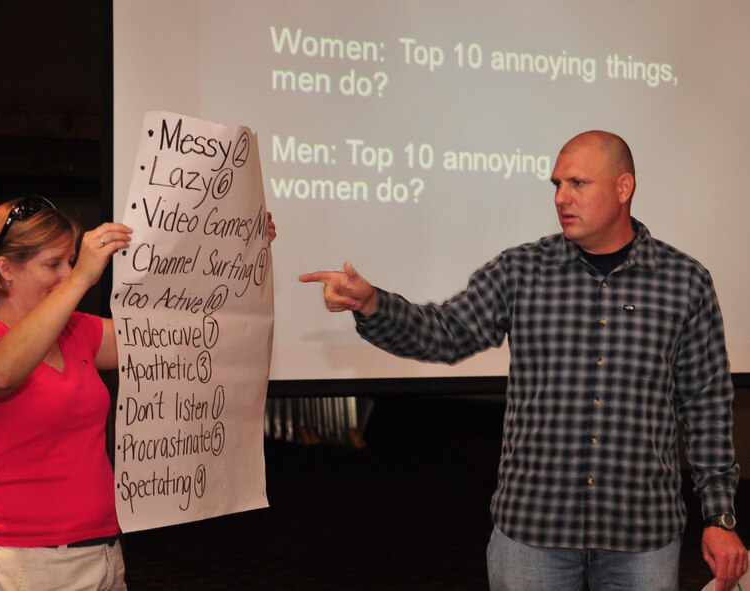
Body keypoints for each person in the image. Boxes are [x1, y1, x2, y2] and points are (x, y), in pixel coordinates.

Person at [300, 130, 748, 591]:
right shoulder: (521, 271)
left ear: (623, 188)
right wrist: (373, 304)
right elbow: (445, 332)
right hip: (533, 534)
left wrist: (719, 516)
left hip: (641, 535)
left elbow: (706, 405)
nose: (561, 198)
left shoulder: (684, 282)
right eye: (557, 184)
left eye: (578, 183)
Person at [0, 196, 276, 590]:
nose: (66, 274)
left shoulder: (78, 331)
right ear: (6, 269)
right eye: (53, 264)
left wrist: (236, 256)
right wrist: (81, 278)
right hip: (19, 565)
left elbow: (184, 333)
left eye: (71, 261)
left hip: (101, 555)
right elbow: (1, 373)